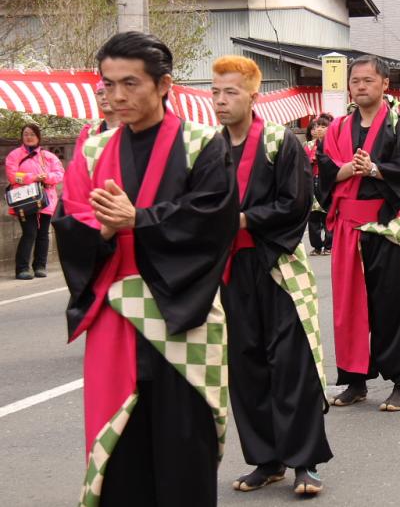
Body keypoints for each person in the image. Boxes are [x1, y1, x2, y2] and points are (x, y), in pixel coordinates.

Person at [53, 31, 239, 507]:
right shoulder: (93, 151)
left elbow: (213, 220)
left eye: (130, 83)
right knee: (119, 451)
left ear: (163, 85)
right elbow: (71, 218)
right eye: (108, 84)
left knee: (185, 451)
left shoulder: (202, 143)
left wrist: (140, 219)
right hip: (115, 316)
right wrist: (105, 231)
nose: (117, 96)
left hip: (185, 314)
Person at [211, 56, 332, 496]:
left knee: (290, 364)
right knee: (245, 364)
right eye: (215, 92)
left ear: (253, 95)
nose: (221, 101)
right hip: (231, 269)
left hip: (278, 265)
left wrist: (245, 220)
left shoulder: (281, 142)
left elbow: (296, 204)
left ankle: (305, 462)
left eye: (231, 92)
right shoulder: (212, 147)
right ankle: (267, 458)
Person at [318, 55, 400, 412]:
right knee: (349, 308)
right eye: (355, 80)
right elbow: (325, 171)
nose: (360, 86)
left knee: (391, 305)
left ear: (384, 85)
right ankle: (354, 380)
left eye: (367, 80)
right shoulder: (336, 129)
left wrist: (377, 170)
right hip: (348, 227)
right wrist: (351, 169)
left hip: (384, 224)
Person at [5, 123, 64, 279]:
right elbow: (12, 176)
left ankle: (40, 266)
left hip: (46, 200)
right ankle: (22, 269)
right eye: (26, 134)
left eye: (32, 134)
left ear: (38, 136)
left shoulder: (48, 156)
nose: (29, 137)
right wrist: (32, 178)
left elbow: (59, 174)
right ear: (22, 137)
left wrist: (47, 178)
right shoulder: (14, 155)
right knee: (29, 232)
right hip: (25, 200)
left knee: (43, 233)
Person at [306, 114, 334, 256]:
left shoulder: (334, 144)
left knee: (328, 214)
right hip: (312, 181)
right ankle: (317, 245)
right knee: (313, 215)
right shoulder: (309, 145)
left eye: (324, 126)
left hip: (327, 181)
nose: (319, 129)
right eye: (317, 126)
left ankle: (329, 245)